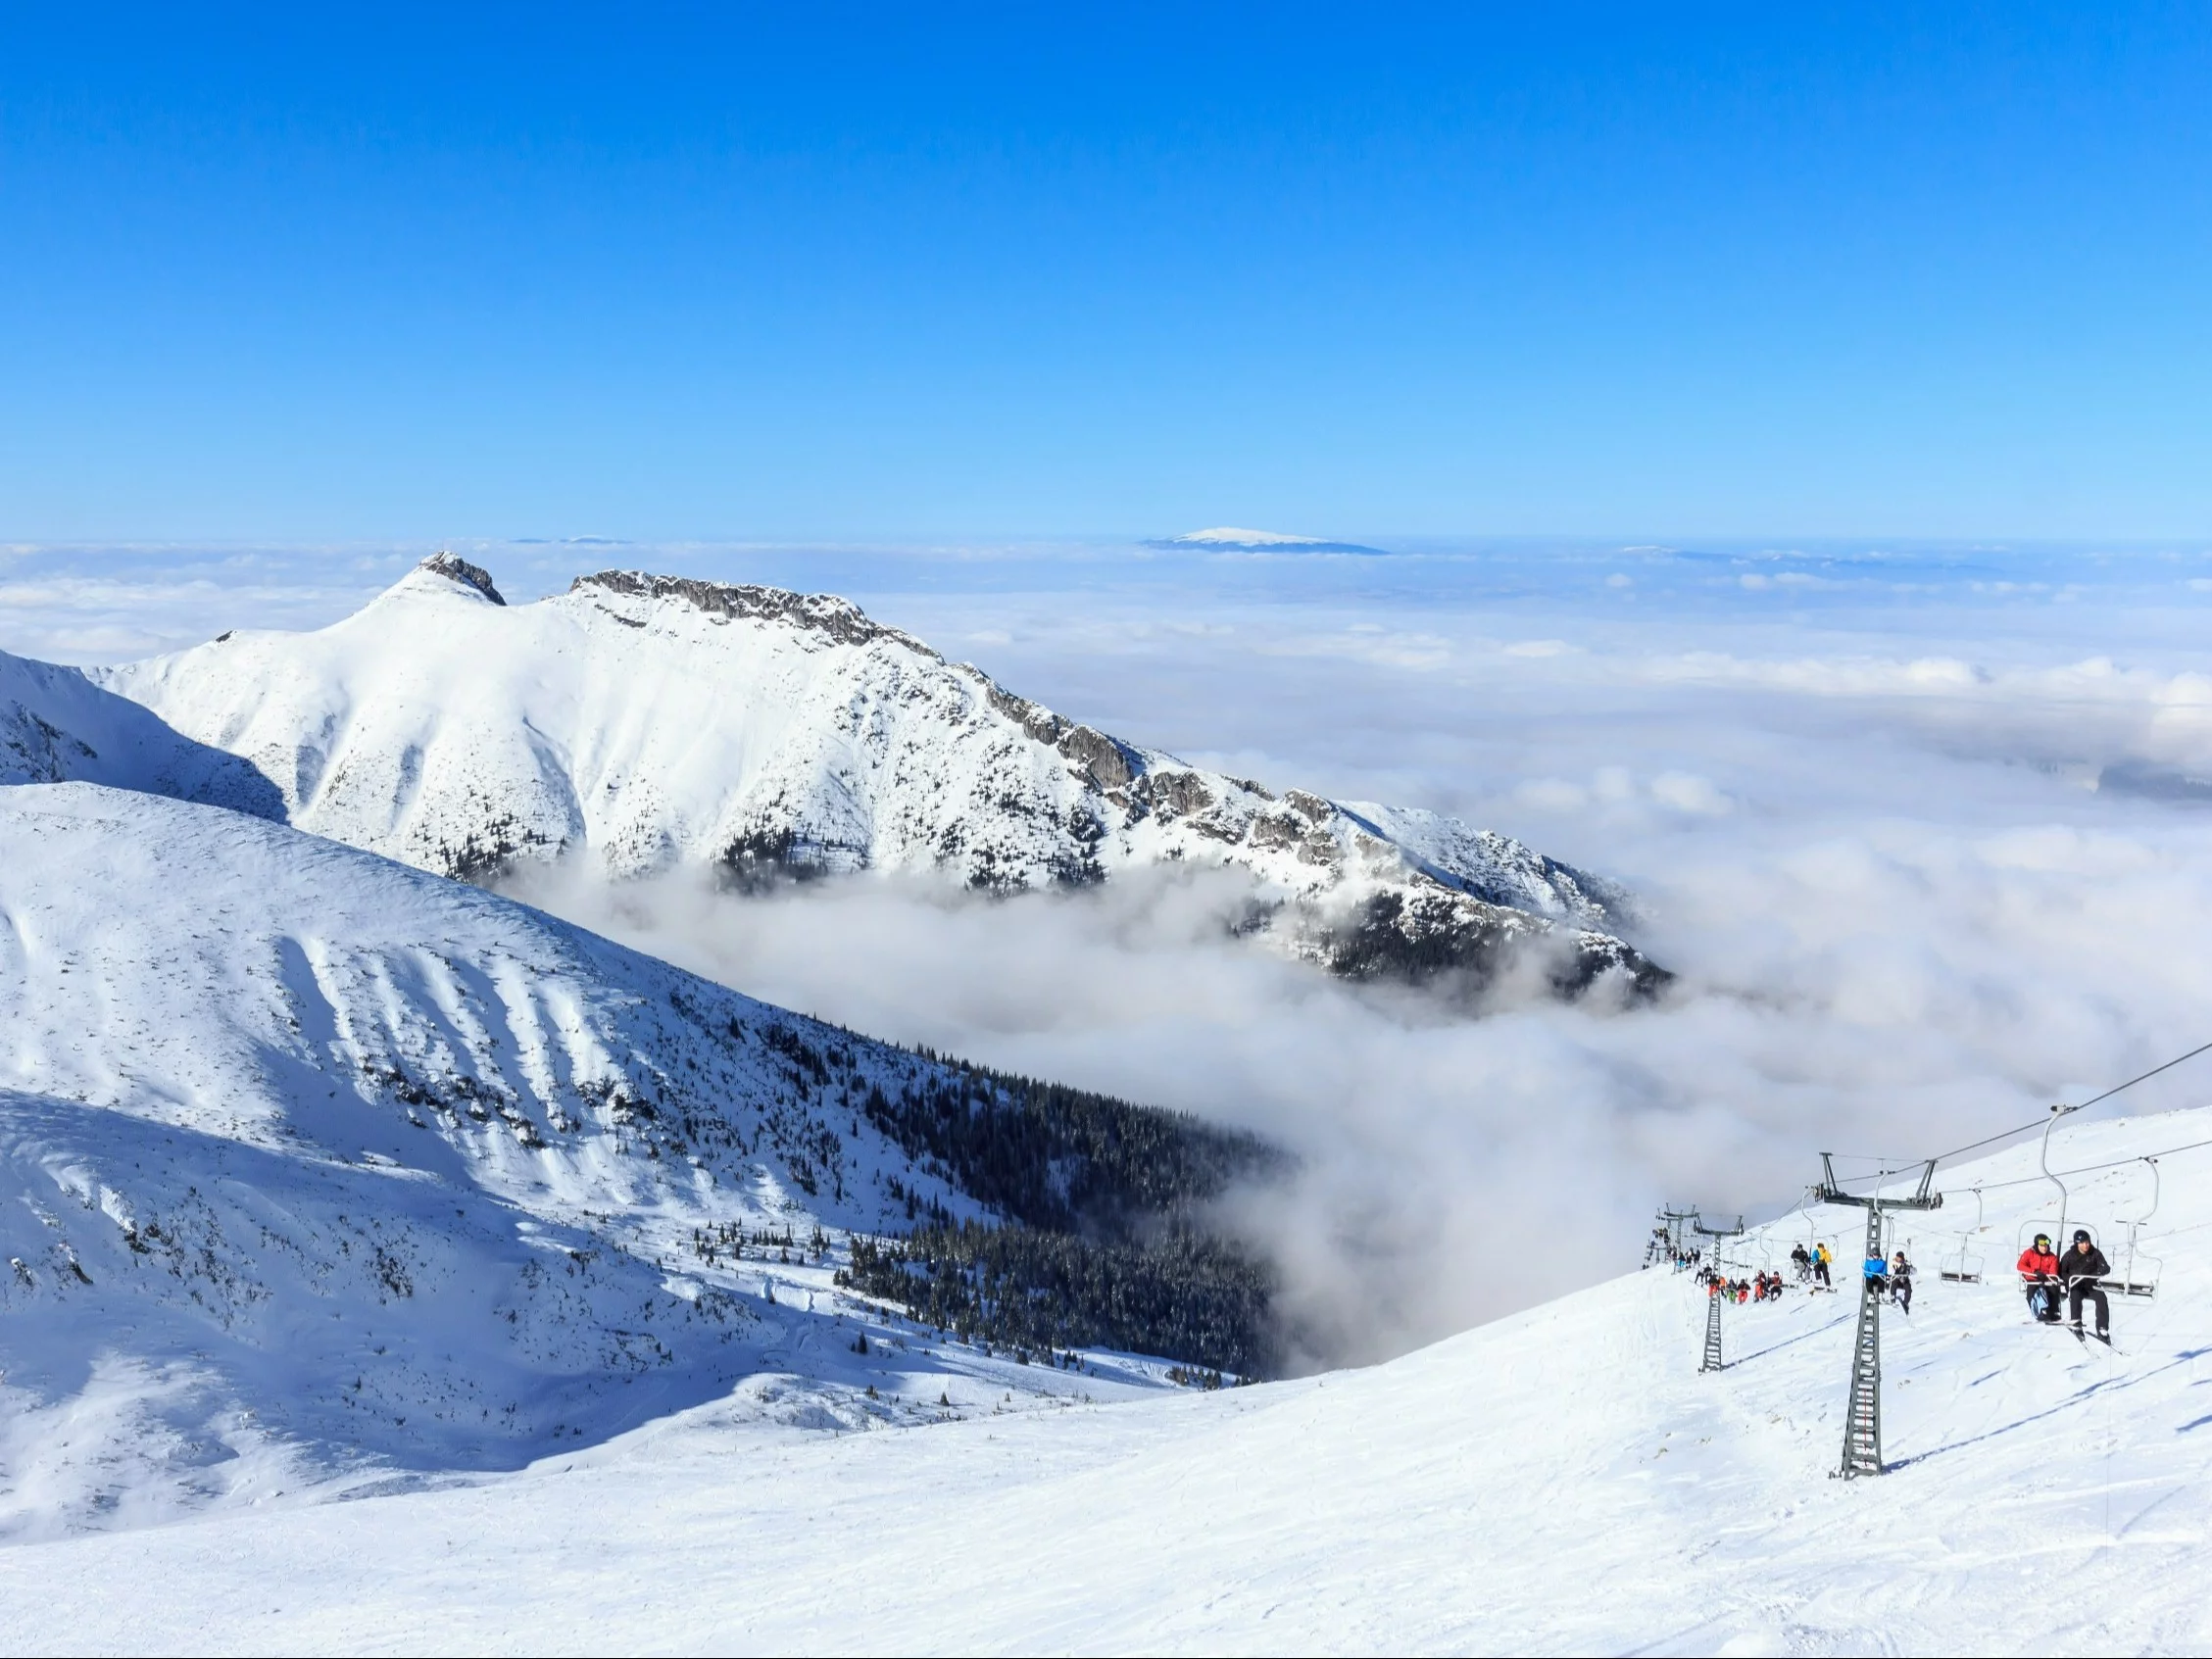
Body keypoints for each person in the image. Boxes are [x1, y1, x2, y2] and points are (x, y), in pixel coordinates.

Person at [2058, 1229, 2111, 1341]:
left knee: (2102, 1298)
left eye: (2087, 1242)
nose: (2086, 1245)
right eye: (2083, 1243)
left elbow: (2105, 1268)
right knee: (2075, 1297)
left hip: (2090, 1284)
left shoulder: (2095, 1253)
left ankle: (2102, 1328)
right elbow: (2061, 1272)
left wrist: (2094, 1274)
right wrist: (2070, 1279)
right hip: (2076, 1285)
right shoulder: (2069, 1256)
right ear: (2077, 1243)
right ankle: (2076, 1324)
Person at [2017, 1233, 2062, 1323]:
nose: (2044, 1248)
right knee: (2031, 1291)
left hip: (2046, 1279)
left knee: (2053, 1289)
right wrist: (2033, 1272)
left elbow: (2053, 1271)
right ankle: (2037, 1311)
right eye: (2042, 1246)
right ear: (2037, 1245)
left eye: (2046, 1246)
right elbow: (2020, 1265)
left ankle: (2054, 1312)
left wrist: (2050, 1278)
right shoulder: (2029, 1253)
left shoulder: (2052, 1257)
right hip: (2032, 1279)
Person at [1889, 1250, 1914, 1314]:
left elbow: (1914, 1271)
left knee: (1908, 1286)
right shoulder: (1893, 1263)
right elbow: (1890, 1271)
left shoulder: (1906, 1264)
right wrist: (1895, 1271)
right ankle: (1893, 1296)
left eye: (1899, 1257)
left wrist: (1910, 1268)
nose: (1898, 1259)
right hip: (1897, 1280)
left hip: (1904, 1280)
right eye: (1897, 1257)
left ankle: (1906, 1302)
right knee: (1894, 1280)